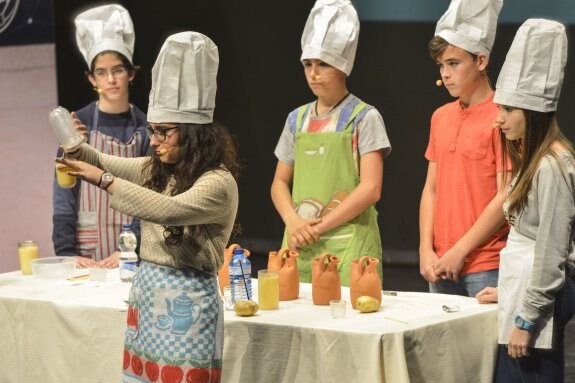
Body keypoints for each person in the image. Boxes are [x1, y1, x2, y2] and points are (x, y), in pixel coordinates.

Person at [56, 31, 238, 382]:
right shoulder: (158, 169)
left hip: (188, 309)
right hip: (147, 299)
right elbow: (101, 159)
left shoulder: (217, 184)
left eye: (163, 132)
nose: (153, 141)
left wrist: (104, 181)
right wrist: (74, 144)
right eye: (152, 131)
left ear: (193, 132)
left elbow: (167, 210)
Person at [476, 19, 575, 382]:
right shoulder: (529, 160)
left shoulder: (552, 165)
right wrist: (507, 293)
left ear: (532, 113)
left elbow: (551, 251)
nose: (498, 119)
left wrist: (526, 317)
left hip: (537, 306)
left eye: (508, 110)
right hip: (522, 296)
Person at [271, 0, 391, 286]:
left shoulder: (364, 118)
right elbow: (279, 182)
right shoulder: (296, 119)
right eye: (308, 64)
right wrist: (293, 222)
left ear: (343, 67)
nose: (313, 73)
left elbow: (371, 188)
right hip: (299, 245)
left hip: (349, 248)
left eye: (323, 64)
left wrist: (320, 226)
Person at [419, 0, 509, 297]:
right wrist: (425, 248)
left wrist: (461, 250)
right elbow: (431, 189)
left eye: (454, 63)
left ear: (481, 62)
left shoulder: (503, 117)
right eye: (441, 65)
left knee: (482, 346)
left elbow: (505, 194)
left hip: (485, 265)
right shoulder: (440, 117)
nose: (445, 74)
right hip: (440, 263)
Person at [52, 4, 149, 269]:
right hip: (85, 252)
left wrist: (135, 247)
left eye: (118, 70)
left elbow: (150, 190)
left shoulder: (145, 127)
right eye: (101, 72)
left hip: (130, 253)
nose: (111, 79)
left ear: (131, 74)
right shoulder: (77, 124)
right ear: (91, 80)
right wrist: (65, 253)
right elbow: (63, 192)